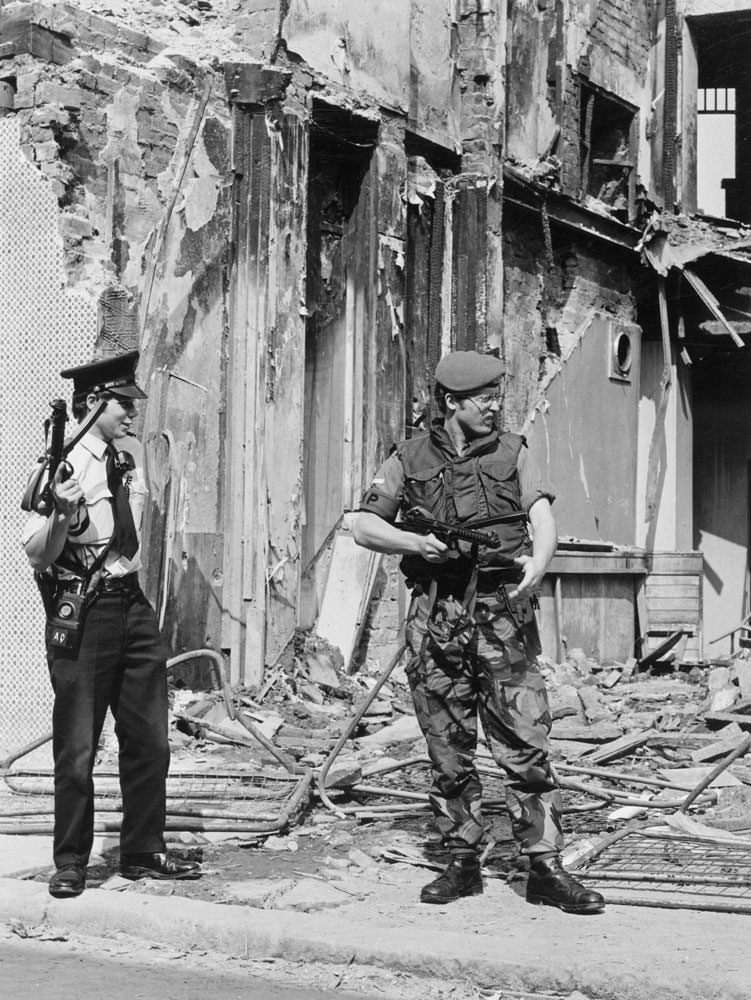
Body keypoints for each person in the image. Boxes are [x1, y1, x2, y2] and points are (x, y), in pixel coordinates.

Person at [353, 350, 604, 915]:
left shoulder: (514, 451)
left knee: (525, 741)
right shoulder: (408, 455)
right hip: (437, 616)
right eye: (484, 399)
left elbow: (539, 512)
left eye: (497, 397)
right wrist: (416, 544)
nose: (494, 407)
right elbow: (364, 525)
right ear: (451, 402)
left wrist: (539, 561)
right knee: (446, 744)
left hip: (501, 614)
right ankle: (462, 859)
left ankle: (544, 866)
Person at [22, 350, 201, 898]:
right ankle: (71, 860)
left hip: (132, 606)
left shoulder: (125, 462)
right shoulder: (56, 469)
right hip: (87, 609)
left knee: (149, 739)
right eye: (122, 403)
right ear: (95, 403)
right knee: (76, 748)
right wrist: (59, 512)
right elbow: (37, 555)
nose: (130, 413)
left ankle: (143, 852)